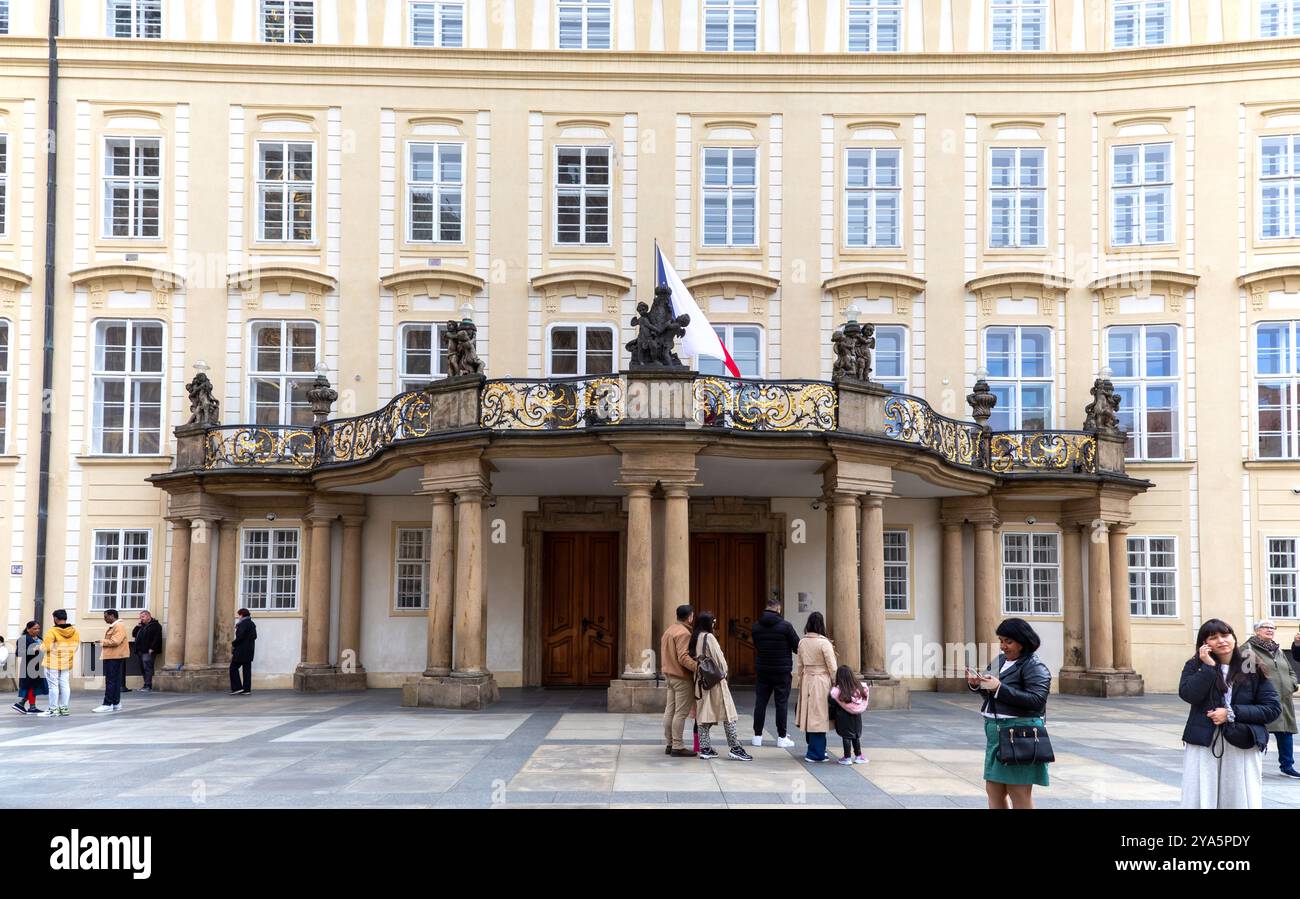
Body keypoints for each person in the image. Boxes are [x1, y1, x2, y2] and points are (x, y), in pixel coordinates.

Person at [1181, 619, 1281, 808]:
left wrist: (1230, 713)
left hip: (1242, 739)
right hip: (1204, 741)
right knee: (1203, 794)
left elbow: (1272, 708)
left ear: (1234, 638)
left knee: (1238, 796)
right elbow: (1189, 695)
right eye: (1213, 637)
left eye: (1225, 635)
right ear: (1204, 644)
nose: (1221, 641)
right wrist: (1208, 667)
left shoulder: (1251, 665)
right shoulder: (1195, 665)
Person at [967, 617, 1052, 809]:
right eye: (1001, 640)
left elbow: (1037, 701)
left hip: (1019, 735)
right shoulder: (1000, 661)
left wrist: (999, 688)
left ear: (1022, 642)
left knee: (1019, 793)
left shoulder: (1034, 666)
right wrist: (977, 685)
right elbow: (991, 693)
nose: (1003, 646)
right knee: (994, 791)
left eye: (1008, 641)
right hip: (996, 733)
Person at [689, 612, 752, 761]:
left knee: (704, 715)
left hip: (701, 680)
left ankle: (705, 748)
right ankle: (735, 747)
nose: (714, 625)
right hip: (715, 681)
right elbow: (720, 661)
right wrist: (724, 672)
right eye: (713, 622)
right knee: (729, 714)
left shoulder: (695, 637)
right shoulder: (709, 637)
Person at [1245, 620, 1300, 778]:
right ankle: (1254, 767)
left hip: (1284, 699)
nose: (1270, 630)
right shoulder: (1248, 649)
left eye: (1272, 627)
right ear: (1257, 631)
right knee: (1261, 733)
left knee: (1285, 732)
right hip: (1263, 700)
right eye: (1265, 627)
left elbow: (1290, 670)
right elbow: (1246, 674)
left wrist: (1292, 684)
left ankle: (1287, 766)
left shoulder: (1278, 650)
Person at [750, 594, 800, 748]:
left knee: (760, 702)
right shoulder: (786, 626)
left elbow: (757, 645)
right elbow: (797, 647)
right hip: (782, 671)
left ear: (766, 608)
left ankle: (757, 736)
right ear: (778, 609)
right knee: (781, 703)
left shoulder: (756, 626)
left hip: (763, 669)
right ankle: (782, 737)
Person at [795, 612, 837, 763]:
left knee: (809, 715)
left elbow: (799, 666)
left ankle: (815, 748)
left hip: (807, 679)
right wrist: (836, 682)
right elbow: (832, 667)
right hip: (821, 680)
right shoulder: (824, 643)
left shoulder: (802, 642)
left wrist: (800, 681)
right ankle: (816, 753)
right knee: (819, 717)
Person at [660, 604, 698, 757]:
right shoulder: (684, 633)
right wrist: (698, 667)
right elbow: (683, 657)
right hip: (681, 678)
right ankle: (677, 745)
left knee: (669, 711)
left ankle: (670, 743)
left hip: (669, 677)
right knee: (680, 713)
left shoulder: (669, 630)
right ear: (689, 617)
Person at [40, 610, 79, 717]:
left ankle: (53, 709)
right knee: (65, 684)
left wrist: (39, 647)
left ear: (55, 618)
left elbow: (45, 647)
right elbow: (75, 647)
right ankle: (64, 708)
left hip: (52, 662)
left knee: (53, 686)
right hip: (66, 662)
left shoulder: (52, 631)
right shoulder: (74, 631)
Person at [829, 664, 870, 765]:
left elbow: (831, 701)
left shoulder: (837, 691)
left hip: (843, 718)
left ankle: (847, 757)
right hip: (856, 718)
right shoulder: (860, 689)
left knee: (846, 737)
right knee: (856, 736)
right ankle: (858, 756)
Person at [94, 610, 128, 713]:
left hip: (114, 656)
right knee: (115, 681)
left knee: (111, 681)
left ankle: (107, 704)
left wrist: (101, 641)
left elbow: (115, 641)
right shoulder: (115, 626)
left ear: (112, 616)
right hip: (113, 656)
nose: (104, 619)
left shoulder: (119, 626)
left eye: (106, 617)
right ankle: (116, 703)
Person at [12, 622, 46, 715]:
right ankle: (28, 706)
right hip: (28, 666)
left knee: (33, 686)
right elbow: (19, 653)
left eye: (38, 628)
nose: (37, 630)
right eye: (35, 629)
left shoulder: (39, 639)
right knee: (31, 686)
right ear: (28, 629)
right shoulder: (23, 638)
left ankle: (25, 705)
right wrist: (33, 649)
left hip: (38, 666)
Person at [132, 610, 162, 692]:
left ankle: (148, 685)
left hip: (148, 651)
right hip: (140, 651)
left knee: (147, 668)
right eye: (140, 617)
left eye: (143, 617)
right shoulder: (141, 626)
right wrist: (138, 626)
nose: (141, 619)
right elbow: (134, 634)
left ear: (148, 616)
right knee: (142, 668)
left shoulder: (155, 625)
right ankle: (145, 684)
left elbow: (157, 638)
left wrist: (152, 648)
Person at [229, 608, 257, 694]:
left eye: (239, 615)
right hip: (249, 651)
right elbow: (255, 636)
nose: (238, 617)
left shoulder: (242, 624)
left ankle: (237, 688)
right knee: (247, 670)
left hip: (241, 651)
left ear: (241, 615)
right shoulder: (252, 624)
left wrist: (233, 643)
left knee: (233, 668)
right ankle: (246, 689)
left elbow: (240, 637)